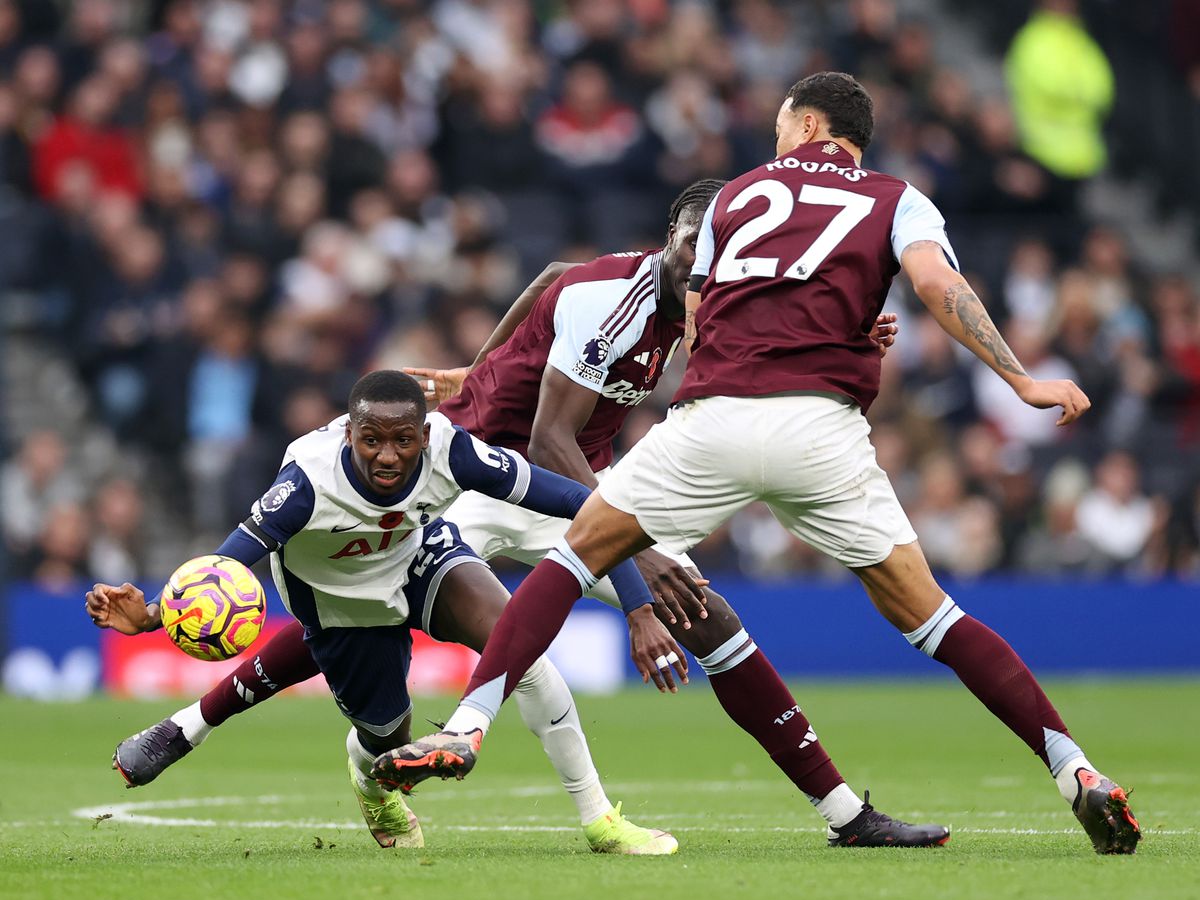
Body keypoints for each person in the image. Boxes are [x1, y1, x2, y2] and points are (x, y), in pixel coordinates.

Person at [376, 73, 1142, 857]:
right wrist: (1019, 377)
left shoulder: (737, 196)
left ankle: (468, 729)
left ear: (807, 124)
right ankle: (1072, 768)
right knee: (936, 617)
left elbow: (707, 332)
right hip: (823, 431)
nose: (778, 140)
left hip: (717, 420)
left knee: (571, 560)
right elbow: (939, 284)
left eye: (783, 126)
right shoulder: (896, 198)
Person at [93, 181, 946, 849]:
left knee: (707, 612)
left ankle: (842, 812)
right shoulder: (614, 298)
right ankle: (206, 722)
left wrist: (850, 343)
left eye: (714, 257)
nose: (703, 270)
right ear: (673, 239)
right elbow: (550, 436)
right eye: (692, 251)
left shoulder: (711, 299)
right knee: (404, 610)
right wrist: (635, 581)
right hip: (479, 475)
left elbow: (548, 284)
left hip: (559, 482)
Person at [86, 370, 680, 855]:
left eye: (404, 440)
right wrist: (157, 614)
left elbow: (585, 504)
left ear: (424, 434)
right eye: (372, 439)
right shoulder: (306, 483)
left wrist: (638, 606)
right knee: (385, 742)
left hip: (420, 557)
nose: (388, 455)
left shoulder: (453, 450)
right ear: (349, 435)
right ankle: (367, 774)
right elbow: (228, 567)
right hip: (339, 603)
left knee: (518, 644)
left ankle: (600, 821)